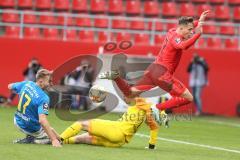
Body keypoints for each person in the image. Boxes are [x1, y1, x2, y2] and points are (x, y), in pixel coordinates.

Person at [99, 11, 210, 113]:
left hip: (153, 70)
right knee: (188, 98)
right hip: (162, 73)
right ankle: (155, 109)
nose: (191, 32)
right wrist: (197, 34)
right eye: (189, 30)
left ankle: (116, 77)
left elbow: (186, 26)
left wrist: (199, 22)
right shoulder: (176, 38)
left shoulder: (171, 31)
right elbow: (183, 46)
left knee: (129, 94)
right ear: (181, 28)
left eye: (192, 29)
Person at [60, 97, 165, 149]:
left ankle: (57, 139)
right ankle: (55, 140)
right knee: (82, 138)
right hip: (119, 142)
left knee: (81, 123)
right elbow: (154, 128)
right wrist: (151, 146)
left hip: (116, 130)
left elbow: (128, 91)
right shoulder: (148, 114)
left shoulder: (141, 101)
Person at [8, 69, 62, 147]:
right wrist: (53, 140)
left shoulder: (27, 83)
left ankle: (32, 136)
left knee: (54, 132)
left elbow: (10, 86)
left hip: (17, 120)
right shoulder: (44, 98)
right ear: (40, 81)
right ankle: (32, 139)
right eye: (49, 81)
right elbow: (42, 120)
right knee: (56, 139)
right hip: (30, 127)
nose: (51, 84)